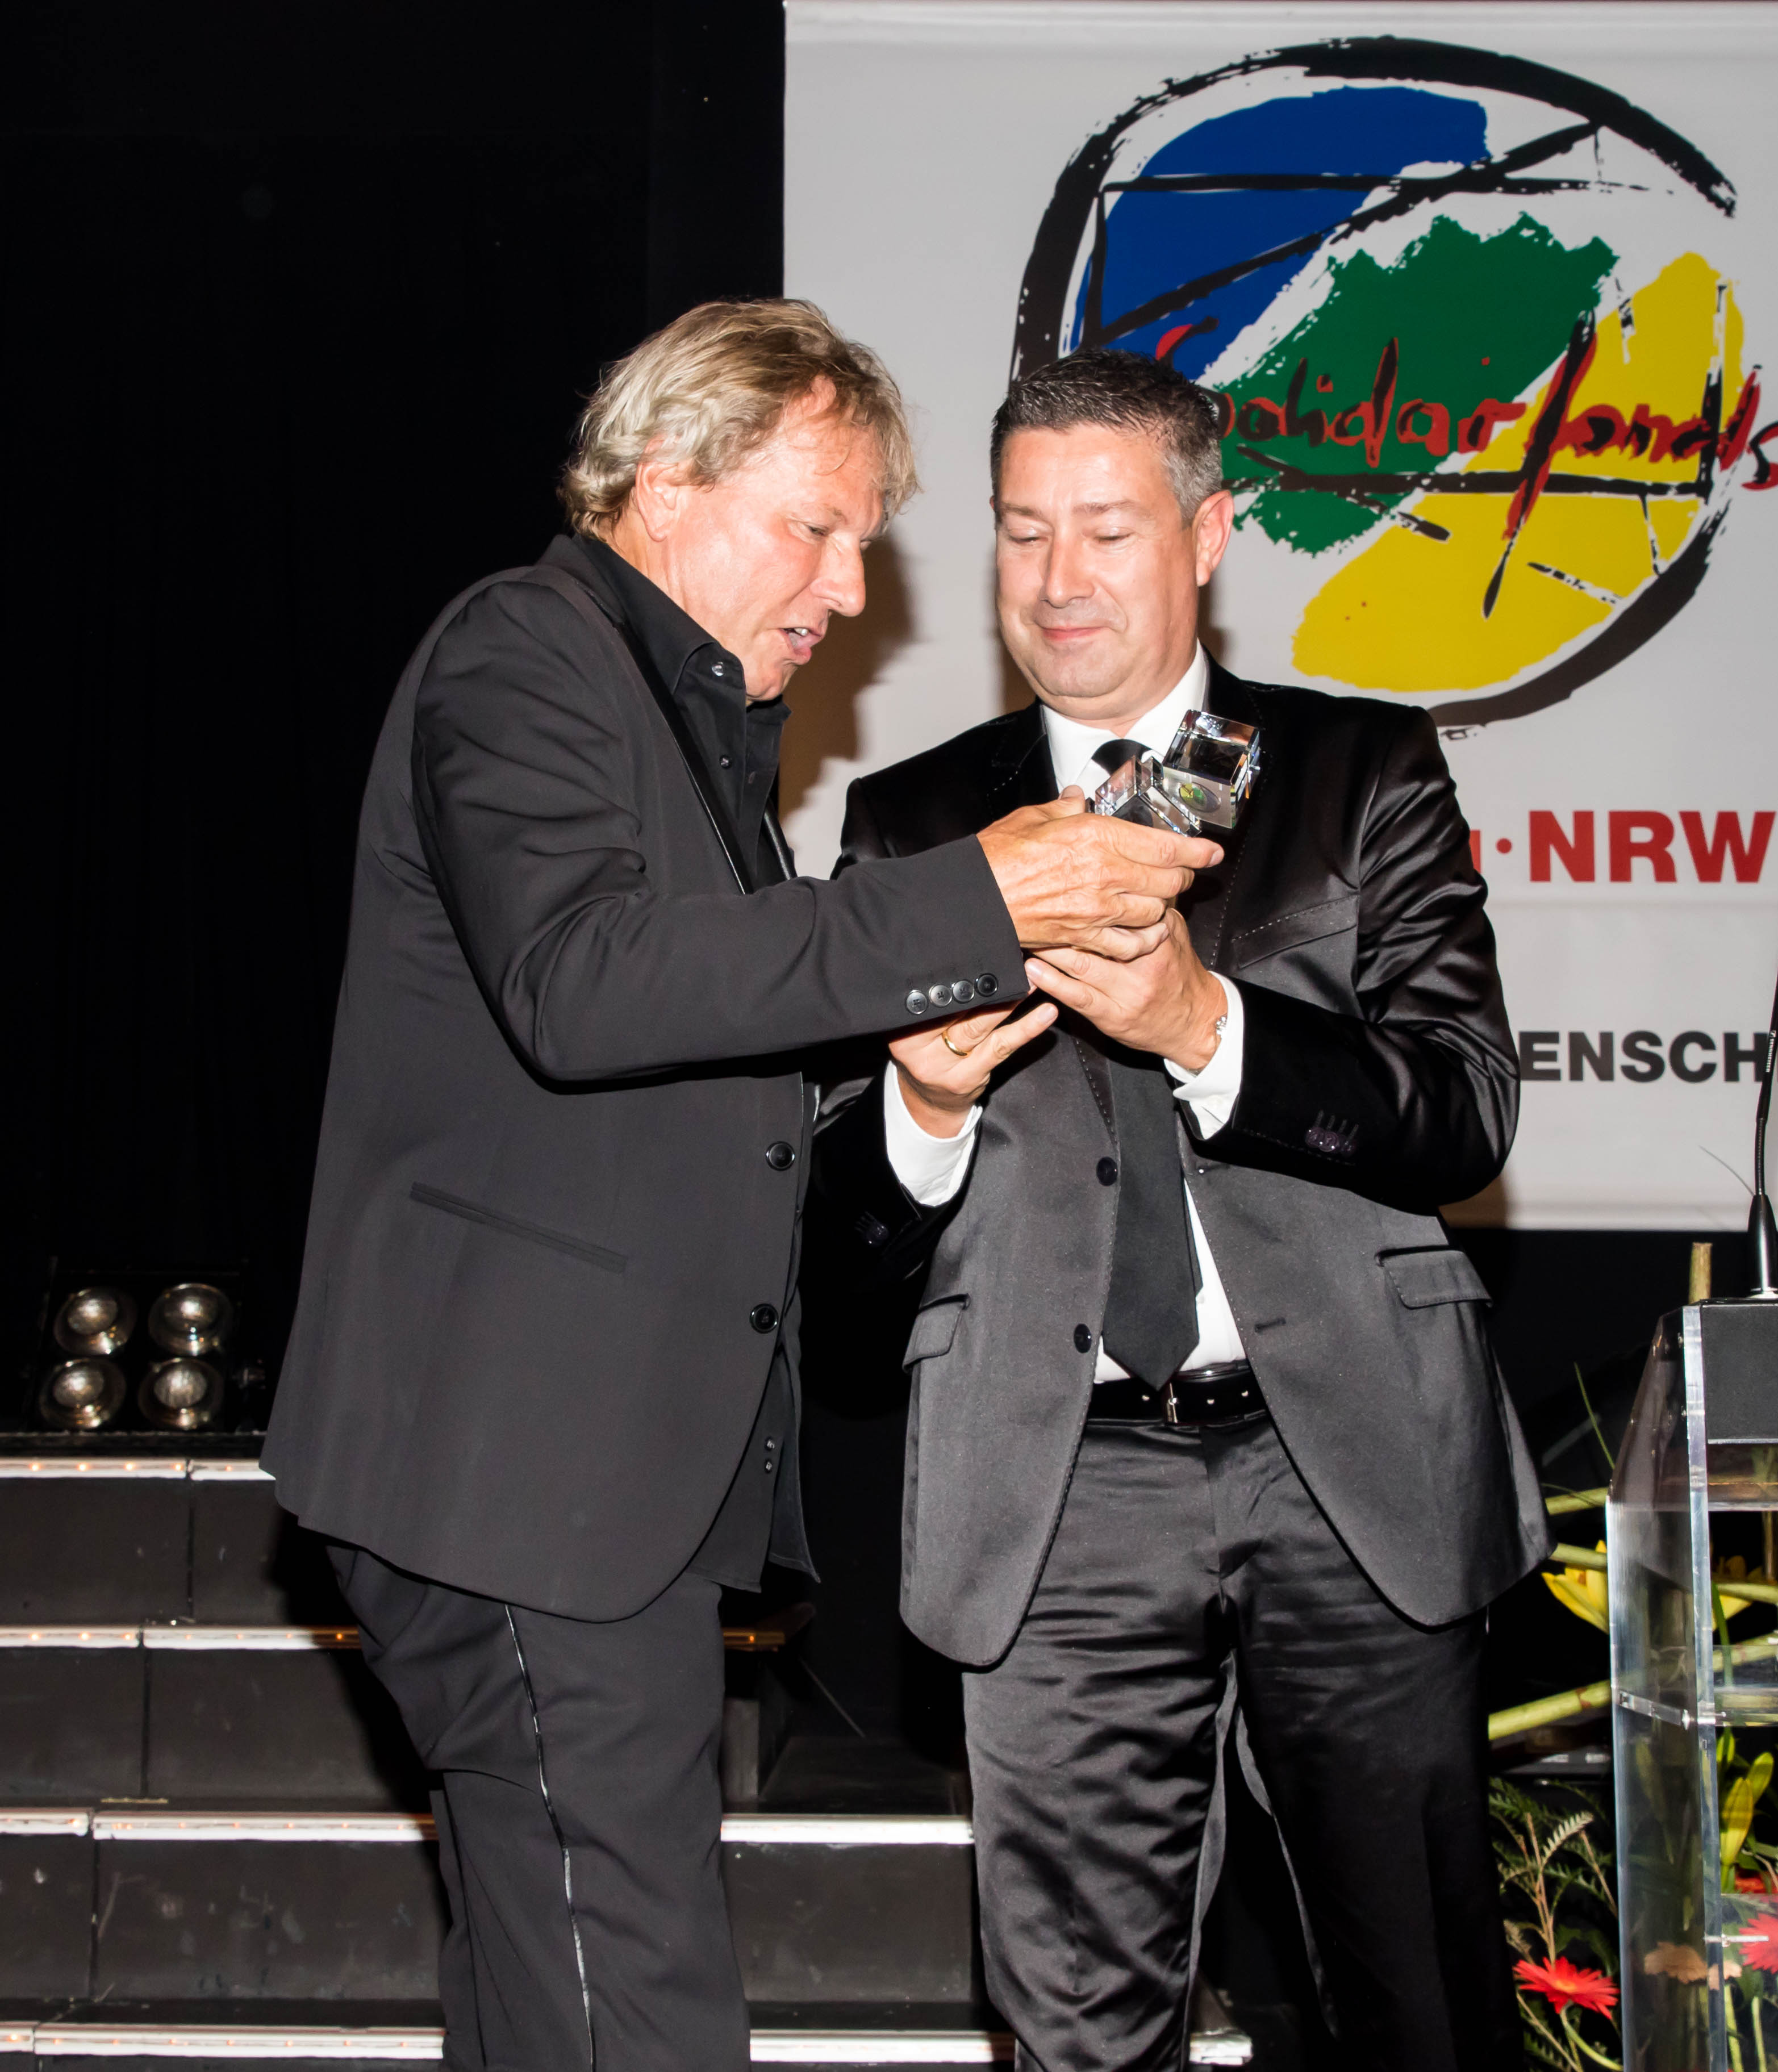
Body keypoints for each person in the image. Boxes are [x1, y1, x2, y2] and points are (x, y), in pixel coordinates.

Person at [262, 302, 1219, 2072]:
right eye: (818, 527)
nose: (850, 589)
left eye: (864, 542)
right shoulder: (526, 651)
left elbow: (690, 1064)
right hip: (520, 1468)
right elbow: (582, 982)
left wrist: (912, 1079)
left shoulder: (685, 721)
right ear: (665, 479)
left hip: (572, 1478)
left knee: (554, 1986)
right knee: (635, 2003)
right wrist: (977, 897)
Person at [821, 348, 1549, 2072]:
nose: (1058, 579)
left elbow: (1465, 1112)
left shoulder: (1355, 769)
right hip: (1058, 1484)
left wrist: (1206, 1028)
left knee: (1420, 2010)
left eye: (1107, 530)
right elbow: (835, 1246)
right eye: (1021, 533)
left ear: (1210, 535)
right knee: (1077, 2033)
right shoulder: (918, 825)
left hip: (1349, 1463)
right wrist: (923, 1108)